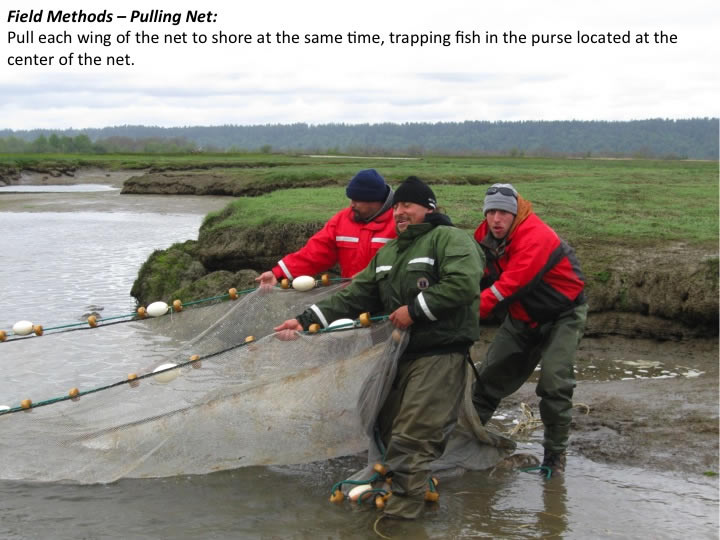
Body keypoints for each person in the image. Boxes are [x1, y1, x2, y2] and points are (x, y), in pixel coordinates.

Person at [275, 176, 484, 519]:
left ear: (429, 208)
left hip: (440, 353)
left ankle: (402, 516)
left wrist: (413, 310)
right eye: (398, 206)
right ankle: (399, 489)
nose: (400, 212)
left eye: (408, 205)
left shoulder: (450, 239)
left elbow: (462, 285)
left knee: (413, 432)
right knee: (381, 421)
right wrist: (304, 318)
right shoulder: (391, 251)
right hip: (398, 352)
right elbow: (358, 294)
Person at [471, 183, 587, 476]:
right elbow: (477, 277)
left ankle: (555, 458)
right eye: (491, 212)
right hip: (522, 316)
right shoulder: (482, 238)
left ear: (516, 213)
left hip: (563, 314)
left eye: (503, 213)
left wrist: (463, 311)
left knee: (554, 382)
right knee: (488, 379)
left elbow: (507, 287)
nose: (496, 219)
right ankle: (464, 442)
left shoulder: (537, 237)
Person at [255, 168, 396, 286]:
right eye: (351, 199)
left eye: (357, 200)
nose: (352, 204)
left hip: (388, 300)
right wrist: (277, 273)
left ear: (375, 200)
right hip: (351, 298)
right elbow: (315, 252)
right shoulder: (342, 220)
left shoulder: (400, 224)